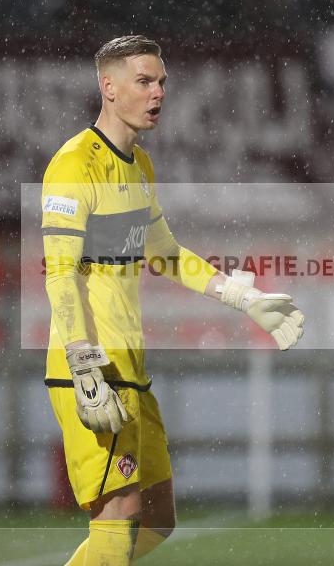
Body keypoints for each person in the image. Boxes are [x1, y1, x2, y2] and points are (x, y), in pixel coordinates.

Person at [40, 35, 304, 565]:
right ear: (108, 87)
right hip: (92, 364)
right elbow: (60, 273)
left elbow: (165, 254)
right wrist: (81, 359)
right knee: (118, 516)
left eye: (161, 81)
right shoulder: (74, 165)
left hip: (131, 366)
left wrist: (240, 297)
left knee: (158, 518)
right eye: (144, 81)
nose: (158, 92)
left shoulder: (139, 167)